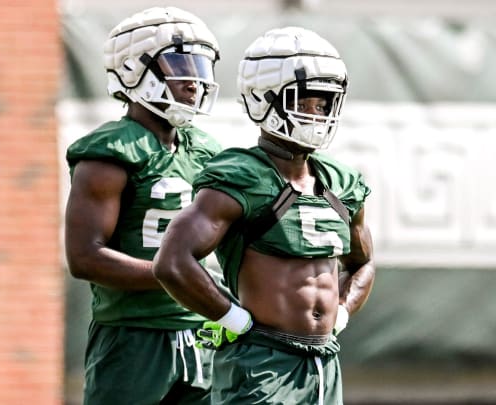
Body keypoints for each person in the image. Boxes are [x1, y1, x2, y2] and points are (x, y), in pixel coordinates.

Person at [153, 26, 376, 405]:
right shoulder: (241, 175)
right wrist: (229, 317)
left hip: (324, 361)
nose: (316, 113)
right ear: (263, 99)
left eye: (324, 104)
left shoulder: (340, 182)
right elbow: (172, 262)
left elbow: (364, 263)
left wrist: (343, 311)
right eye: (304, 100)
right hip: (262, 361)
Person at [64, 6, 223, 404]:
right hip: (133, 334)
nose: (194, 79)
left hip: (201, 330)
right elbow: (85, 257)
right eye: (180, 63)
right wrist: (177, 276)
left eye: (200, 64)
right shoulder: (111, 151)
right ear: (135, 69)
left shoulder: (206, 151)